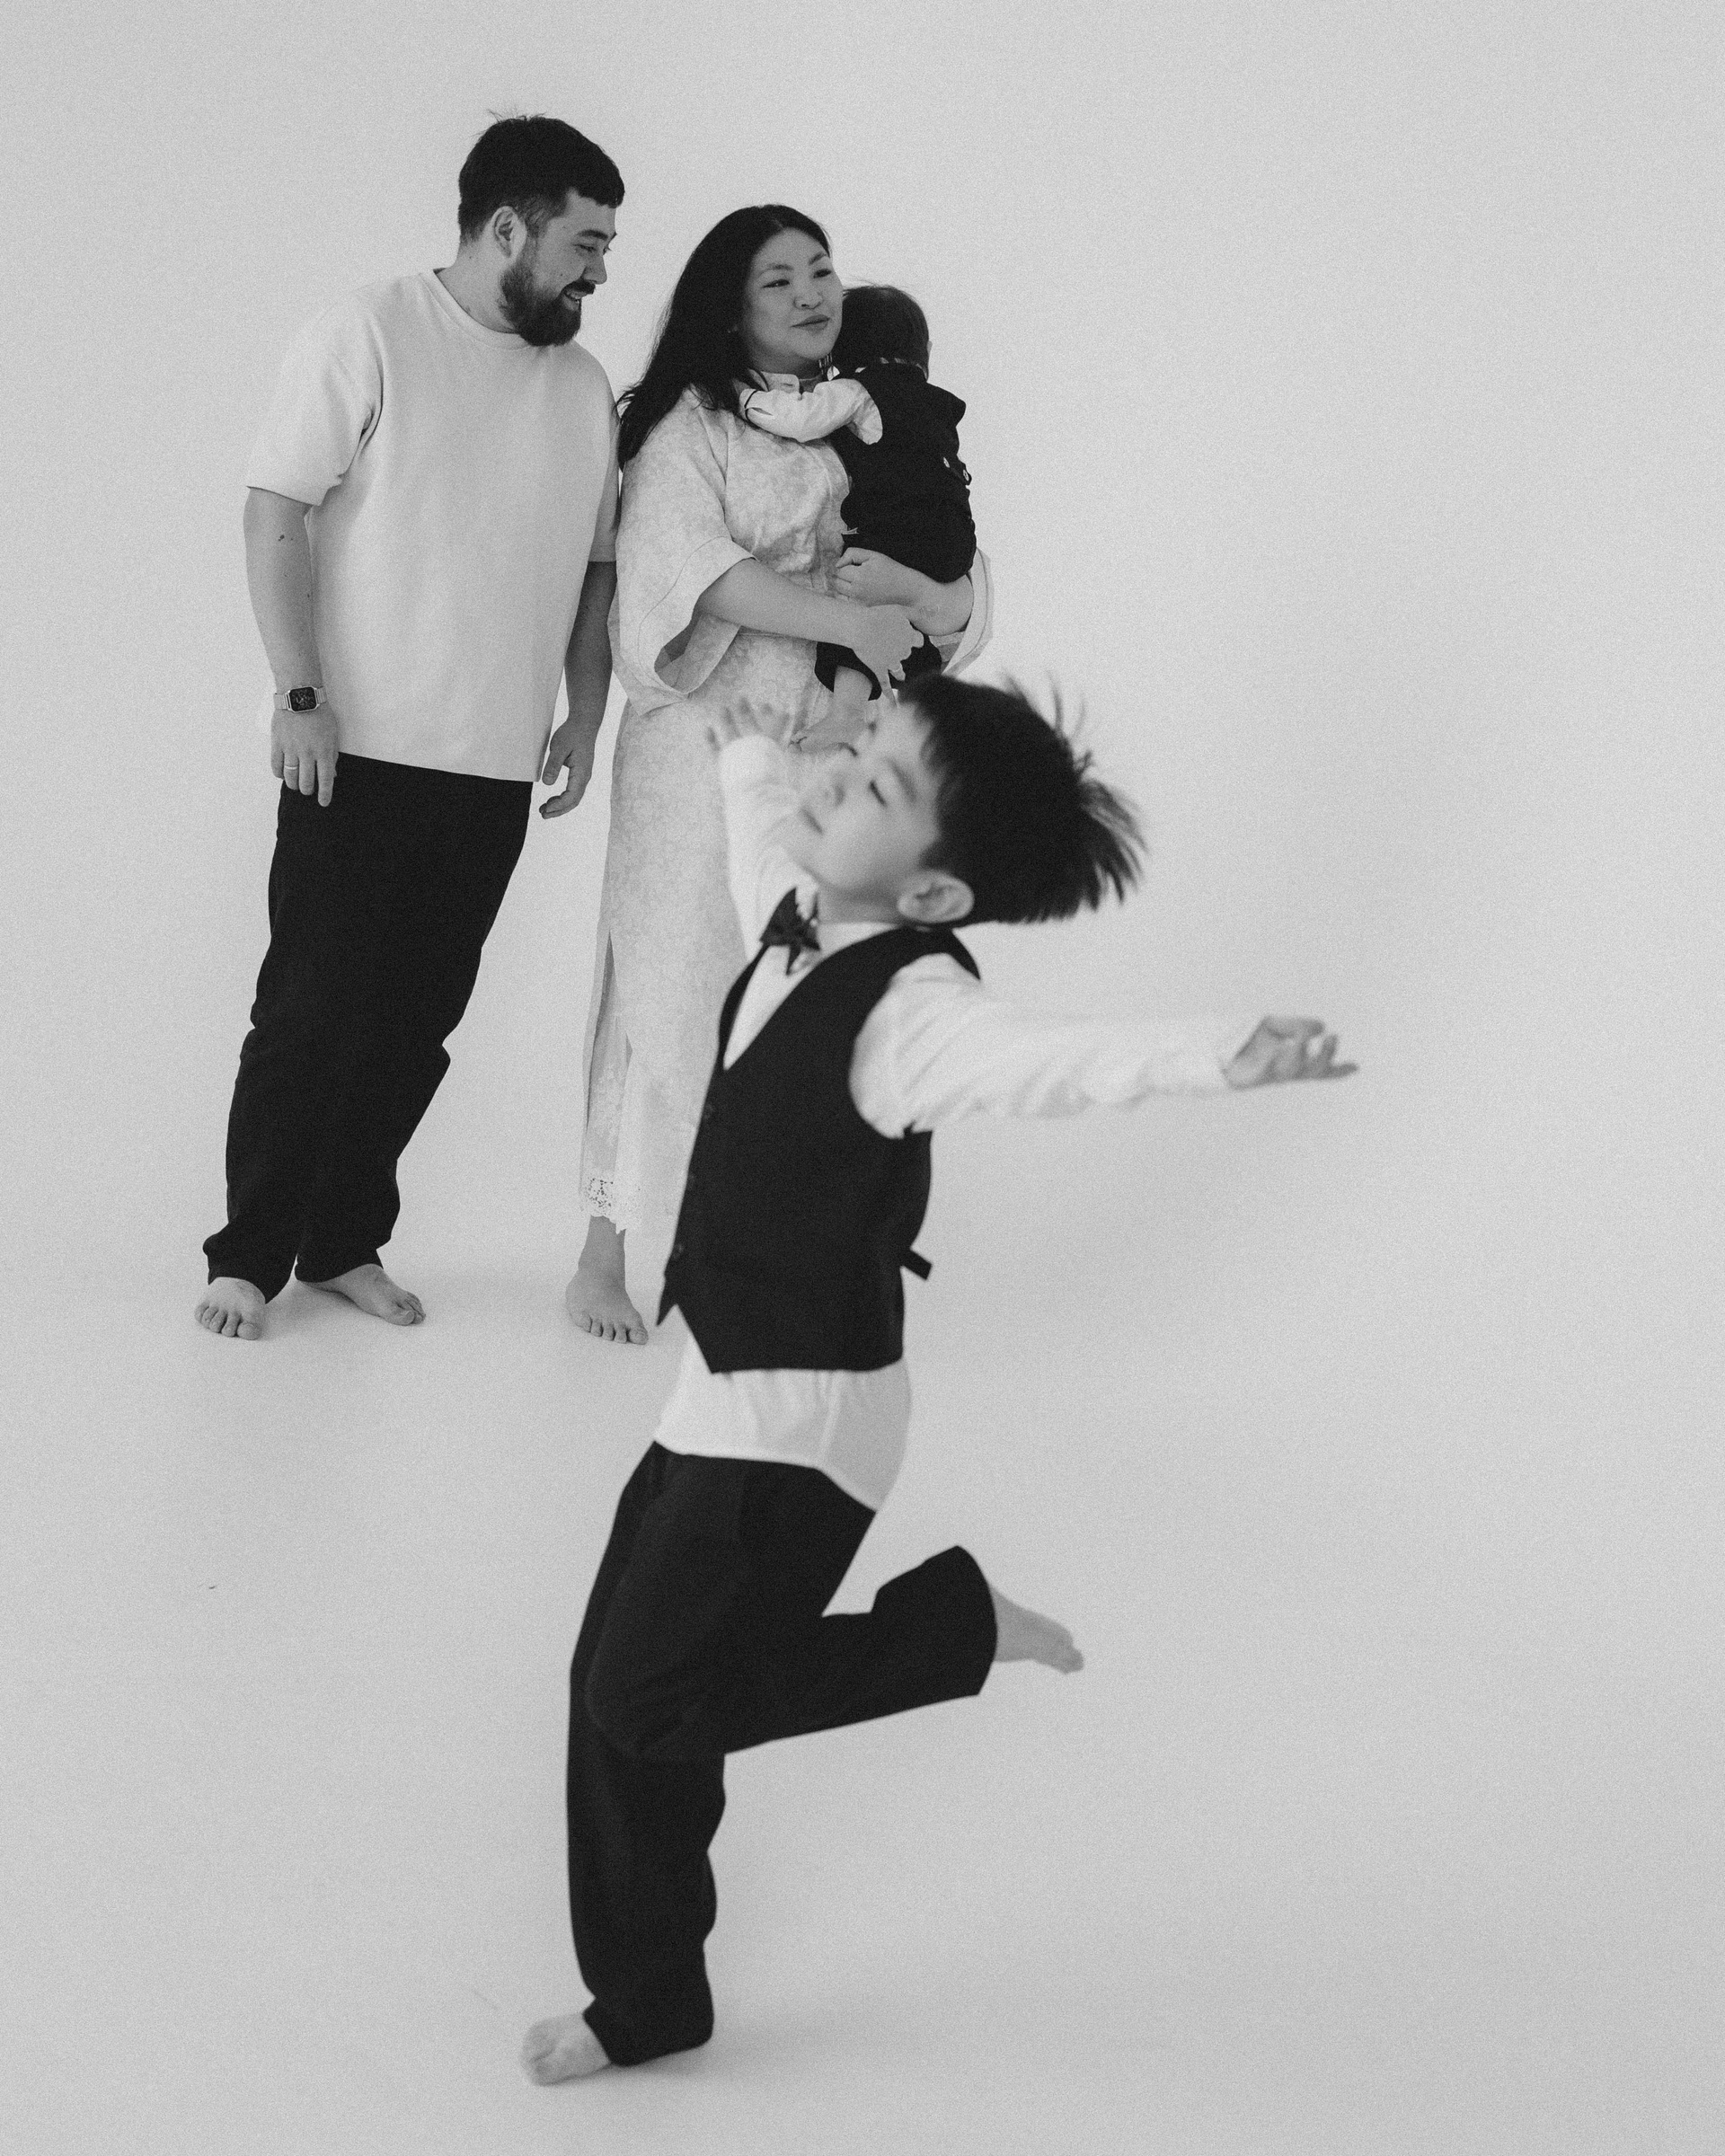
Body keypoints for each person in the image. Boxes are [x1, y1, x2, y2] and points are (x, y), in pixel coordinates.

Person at [522, 676, 1356, 2081]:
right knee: (617, 1706)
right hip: (719, 1389)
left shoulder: (914, 1015)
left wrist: (1220, 1053)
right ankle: (650, 2003)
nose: (834, 777)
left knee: (645, 1699)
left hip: (802, 1428)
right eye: (856, 753)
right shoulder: (804, 909)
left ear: (930, 896)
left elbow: (1050, 1064)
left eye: (874, 785)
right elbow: (761, 857)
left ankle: (957, 1631)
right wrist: (744, 762)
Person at [196, 117, 624, 1342]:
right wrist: (299, 693)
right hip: (356, 752)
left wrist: (584, 714)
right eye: (586, 244)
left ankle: (342, 1243)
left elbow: (597, 569)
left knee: (414, 1029)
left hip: (489, 767)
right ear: (509, 229)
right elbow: (275, 510)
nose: (600, 272)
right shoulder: (369, 330)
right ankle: (247, 1257)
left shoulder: (581, 388)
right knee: (307, 1016)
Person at [565, 207, 994, 1349]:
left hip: (834, 758)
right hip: (701, 753)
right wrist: (851, 619)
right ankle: (605, 1249)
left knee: (803, 1000)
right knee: (667, 975)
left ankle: (761, 1245)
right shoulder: (692, 429)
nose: (812, 293)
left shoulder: (868, 414)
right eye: (779, 280)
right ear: (732, 307)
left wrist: (918, 602)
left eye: (822, 270)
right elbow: (692, 573)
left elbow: (955, 572)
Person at [741, 282, 976, 717]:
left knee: (855, 604)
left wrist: (747, 399)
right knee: (903, 625)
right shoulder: (938, 404)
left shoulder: (859, 390)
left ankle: (846, 713)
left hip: (896, 532)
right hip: (956, 541)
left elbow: (801, 418)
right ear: (924, 349)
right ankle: (921, 706)